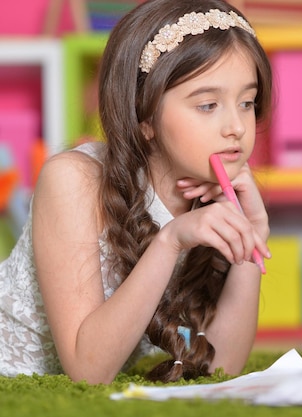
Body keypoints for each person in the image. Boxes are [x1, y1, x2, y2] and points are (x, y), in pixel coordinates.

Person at [0, 0, 272, 384]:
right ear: (144, 117)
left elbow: (220, 366)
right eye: (208, 105)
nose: (237, 127)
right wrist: (170, 241)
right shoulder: (73, 180)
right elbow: (88, 370)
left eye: (246, 102)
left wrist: (251, 241)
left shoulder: (210, 196)